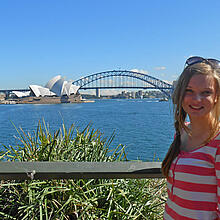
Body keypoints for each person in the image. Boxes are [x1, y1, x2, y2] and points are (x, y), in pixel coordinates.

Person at [162, 56, 220, 219]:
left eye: (206, 92)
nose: (196, 99)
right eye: (189, 91)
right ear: (180, 93)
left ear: (216, 96)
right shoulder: (182, 132)